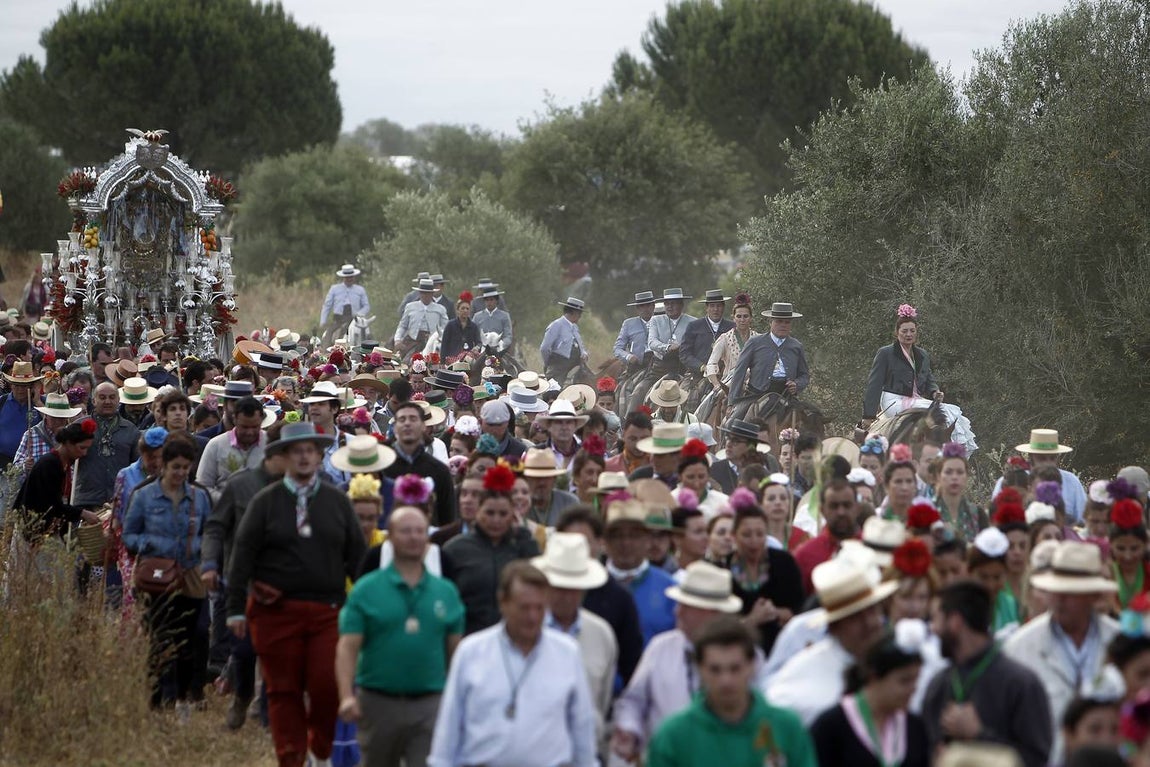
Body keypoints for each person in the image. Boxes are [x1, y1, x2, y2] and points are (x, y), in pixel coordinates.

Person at [225, 422, 367, 767]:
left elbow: (358, 559)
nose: (304, 457)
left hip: (328, 611)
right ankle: (290, 757)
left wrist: (368, 609)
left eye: (310, 451)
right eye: (296, 451)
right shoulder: (265, 502)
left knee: (326, 686)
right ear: (284, 457)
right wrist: (235, 610)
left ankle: (320, 751)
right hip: (276, 611)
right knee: (282, 690)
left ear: (320, 456)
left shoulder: (337, 502)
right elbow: (242, 555)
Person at [428, 561, 597, 767]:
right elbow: (450, 724)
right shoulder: (471, 652)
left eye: (539, 608)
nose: (533, 617)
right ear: (503, 603)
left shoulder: (567, 652)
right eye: (524, 608)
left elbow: (582, 726)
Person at [336, 506, 465, 767]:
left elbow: (456, 652)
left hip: (430, 703)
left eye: (420, 531)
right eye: (406, 531)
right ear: (390, 537)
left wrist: (457, 699)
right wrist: (346, 695)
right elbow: (348, 647)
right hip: (378, 701)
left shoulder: (446, 592)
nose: (414, 537)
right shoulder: (366, 590)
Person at [612, 561, 746, 760]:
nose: (677, 612)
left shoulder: (746, 657)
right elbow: (633, 700)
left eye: (686, 606)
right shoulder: (661, 648)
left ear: (713, 613)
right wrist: (629, 729)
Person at [201, 421, 286, 729]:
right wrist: (209, 563)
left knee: (277, 650)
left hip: (286, 583)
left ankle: (266, 711)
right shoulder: (241, 484)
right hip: (243, 580)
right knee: (246, 649)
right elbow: (215, 527)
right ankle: (242, 695)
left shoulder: (303, 487)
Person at [646, 616, 817, 767]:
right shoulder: (673, 736)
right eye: (715, 669)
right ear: (699, 669)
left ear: (752, 666)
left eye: (735, 669)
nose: (725, 680)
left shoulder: (786, 727)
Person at [1004, 540, 1120, 763]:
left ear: (1093, 596)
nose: (1058, 600)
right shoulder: (1019, 647)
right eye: (1054, 591)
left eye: (1070, 593)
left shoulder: (1120, 643)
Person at [122, 435, 210, 717]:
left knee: (189, 639)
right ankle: (159, 701)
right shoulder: (144, 496)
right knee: (160, 640)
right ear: (164, 465)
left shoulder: (200, 497)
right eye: (176, 467)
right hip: (155, 577)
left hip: (190, 574)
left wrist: (204, 555)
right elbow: (129, 534)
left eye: (186, 467)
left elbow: (210, 533)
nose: (181, 473)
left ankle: (184, 698)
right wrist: (149, 546)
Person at [922, 579, 1053, 767]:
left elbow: (1037, 758)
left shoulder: (1021, 684)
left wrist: (980, 736)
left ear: (956, 622)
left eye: (936, 619)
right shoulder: (939, 685)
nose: (933, 629)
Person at [766, 556, 897, 725]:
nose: (870, 623)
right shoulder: (800, 682)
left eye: (873, 611)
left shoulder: (892, 661)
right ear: (834, 627)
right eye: (856, 617)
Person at [534, 532, 618, 745]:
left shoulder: (602, 634)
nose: (566, 595)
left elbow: (602, 698)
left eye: (574, 588)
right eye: (559, 587)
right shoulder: (528, 629)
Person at [810, 621, 932, 767]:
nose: (913, 689)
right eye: (904, 681)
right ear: (873, 677)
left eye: (916, 679)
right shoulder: (831, 727)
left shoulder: (915, 727)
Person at [862, 303, 976, 454]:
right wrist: (868, 415)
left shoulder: (922, 354)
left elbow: (928, 378)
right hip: (893, 400)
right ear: (897, 332)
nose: (908, 334)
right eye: (904, 331)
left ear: (916, 332)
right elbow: (874, 384)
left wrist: (935, 391)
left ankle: (949, 453)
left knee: (952, 413)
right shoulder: (886, 353)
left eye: (912, 331)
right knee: (939, 411)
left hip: (916, 399)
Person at [441, 464, 541, 635]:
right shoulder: (455, 549)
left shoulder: (523, 546)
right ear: (478, 511)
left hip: (515, 636)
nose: (496, 520)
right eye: (489, 513)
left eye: (503, 514)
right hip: (469, 637)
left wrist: (524, 538)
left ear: (513, 514)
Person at [604, 494, 678, 645]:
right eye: (617, 536)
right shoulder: (592, 588)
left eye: (634, 535)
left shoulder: (670, 589)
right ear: (605, 541)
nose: (626, 543)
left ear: (646, 540)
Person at [15, 418, 101, 537]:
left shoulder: (63, 464)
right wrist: (82, 513)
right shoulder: (49, 465)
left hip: (46, 529)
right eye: (82, 448)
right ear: (68, 443)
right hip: (32, 530)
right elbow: (51, 505)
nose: (84, 453)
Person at [384, 401, 456, 526]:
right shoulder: (383, 467)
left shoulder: (439, 470)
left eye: (413, 419)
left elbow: (448, 518)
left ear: (423, 426)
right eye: (402, 419)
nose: (407, 423)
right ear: (395, 427)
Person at [727, 302, 810, 402]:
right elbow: (739, 372)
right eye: (779, 321)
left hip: (786, 397)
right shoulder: (754, 342)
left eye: (787, 322)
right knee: (736, 418)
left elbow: (804, 375)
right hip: (756, 396)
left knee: (813, 415)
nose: (783, 325)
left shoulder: (796, 346)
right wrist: (732, 401)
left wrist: (797, 384)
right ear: (770, 322)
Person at [75, 381, 139, 508]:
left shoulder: (131, 429)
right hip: (86, 501)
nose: (107, 402)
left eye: (112, 397)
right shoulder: (79, 427)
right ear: (93, 401)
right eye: (102, 397)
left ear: (119, 400)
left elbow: (137, 466)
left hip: (121, 500)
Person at [792, 477, 861, 594]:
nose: (841, 512)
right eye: (834, 506)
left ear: (857, 508)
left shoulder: (872, 548)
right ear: (822, 510)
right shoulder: (804, 555)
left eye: (847, 505)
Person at [195, 395, 266, 502]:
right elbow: (202, 487)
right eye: (245, 427)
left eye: (255, 427)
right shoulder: (216, 445)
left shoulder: (270, 444)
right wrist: (228, 501)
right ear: (235, 420)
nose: (250, 432)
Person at [704, 292, 756, 393]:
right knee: (710, 403)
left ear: (751, 318)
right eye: (739, 316)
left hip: (754, 383)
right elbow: (711, 364)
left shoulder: (758, 338)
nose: (742, 320)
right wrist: (717, 384)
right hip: (730, 384)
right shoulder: (725, 338)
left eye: (745, 316)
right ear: (734, 318)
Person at [935, 442, 986, 542]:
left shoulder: (978, 514)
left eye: (960, 472)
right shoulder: (927, 512)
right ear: (938, 476)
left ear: (966, 476)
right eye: (948, 472)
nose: (954, 477)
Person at [680, 289, 733, 377]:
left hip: (726, 375)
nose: (715, 309)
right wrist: (701, 367)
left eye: (719, 306)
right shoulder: (694, 326)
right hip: (698, 375)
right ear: (707, 308)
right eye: (712, 306)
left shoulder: (732, 327)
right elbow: (684, 354)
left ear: (723, 307)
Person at [520, 446, 578, 525]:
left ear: (554, 479)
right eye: (536, 477)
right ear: (526, 479)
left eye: (546, 478)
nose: (541, 483)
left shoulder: (569, 502)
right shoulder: (519, 503)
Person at [645, 288, 696, 376]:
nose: (669, 307)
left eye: (673, 303)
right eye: (667, 304)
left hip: (687, 366)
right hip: (660, 367)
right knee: (641, 388)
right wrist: (668, 347)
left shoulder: (693, 322)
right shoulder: (656, 320)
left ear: (681, 305)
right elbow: (652, 342)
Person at [393, 278, 448, 358]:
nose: (425, 295)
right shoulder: (410, 307)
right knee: (406, 360)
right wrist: (397, 339)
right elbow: (402, 326)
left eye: (428, 293)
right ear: (419, 293)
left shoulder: (441, 309)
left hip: (432, 342)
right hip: (413, 341)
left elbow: (445, 328)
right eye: (423, 293)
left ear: (432, 294)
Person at [673, 439, 728, 519]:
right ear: (680, 476)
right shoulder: (670, 502)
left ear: (708, 475)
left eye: (701, 476)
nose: (697, 483)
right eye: (690, 477)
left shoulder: (723, 504)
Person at [539, 297, 589, 383]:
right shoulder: (556, 325)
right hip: (559, 366)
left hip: (578, 366)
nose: (580, 317)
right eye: (579, 314)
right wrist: (550, 363)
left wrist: (584, 353)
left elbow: (581, 345)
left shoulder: (575, 327)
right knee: (555, 389)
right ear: (574, 313)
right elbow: (544, 348)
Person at [321, 264, 371, 343]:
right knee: (329, 333)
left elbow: (366, 306)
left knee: (367, 334)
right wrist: (323, 321)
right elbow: (327, 305)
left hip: (355, 319)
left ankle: (372, 350)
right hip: (339, 319)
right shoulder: (334, 289)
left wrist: (359, 314)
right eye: (347, 277)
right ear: (343, 277)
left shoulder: (360, 290)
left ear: (354, 277)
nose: (349, 279)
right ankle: (325, 353)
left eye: (351, 277)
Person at [614, 291, 656, 369]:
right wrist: (629, 357)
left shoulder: (662, 321)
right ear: (637, 308)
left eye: (648, 305)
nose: (645, 309)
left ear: (653, 306)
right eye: (641, 306)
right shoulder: (628, 324)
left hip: (659, 364)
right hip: (637, 366)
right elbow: (617, 349)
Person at [604, 410, 652, 477]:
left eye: (643, 439)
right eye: (633, 439)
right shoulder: (608, 467)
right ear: (623, 435)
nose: (638, 444)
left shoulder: (659, 466)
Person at [439, 291, 482, 365]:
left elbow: (479, 342)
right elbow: (444, 344)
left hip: (469, 359)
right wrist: (442, 362)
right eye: (463, 308)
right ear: (458, 310)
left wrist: (477, 348)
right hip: (452, 360)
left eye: (467, 309)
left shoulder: (474, 326)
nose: (465, 310)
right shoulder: (450, 325)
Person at [472, 287, 513, 356]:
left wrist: (501, 344)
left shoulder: (504, 316)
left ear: (496, 300)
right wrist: (477, 346)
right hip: (481, 351)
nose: (489, 302)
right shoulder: (477, 317)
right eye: (487, 300)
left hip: (499, 350)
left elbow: (508, 336)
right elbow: (472, 334)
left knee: (511, 364)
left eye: (491, 300)